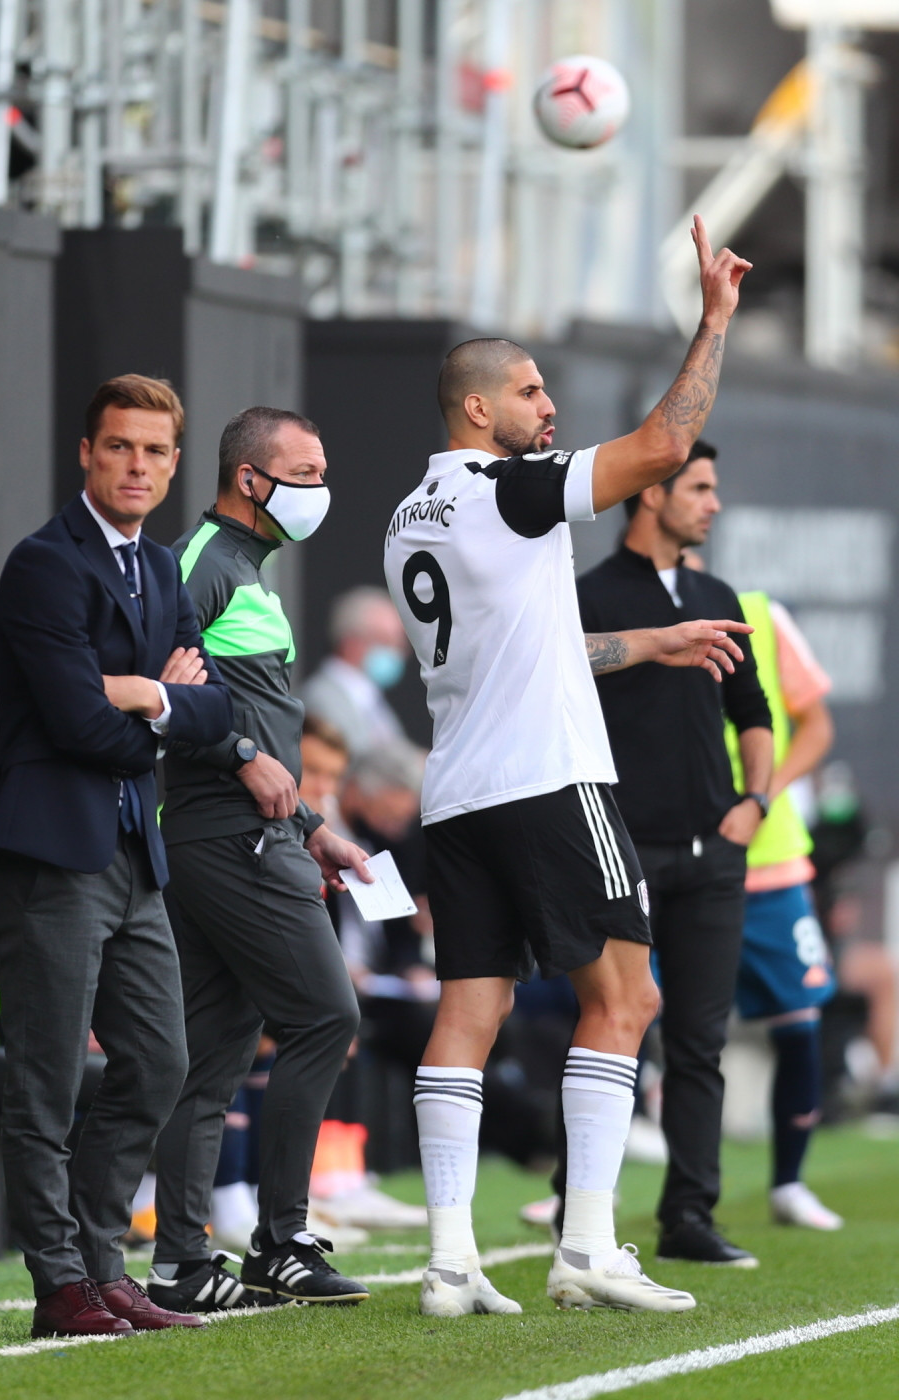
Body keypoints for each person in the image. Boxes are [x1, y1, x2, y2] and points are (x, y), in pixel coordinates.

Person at [382, 215, 752, 1316]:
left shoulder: (410, 514)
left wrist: (648, 641)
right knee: (627, 993)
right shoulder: (511, 486)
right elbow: (662, 444)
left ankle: (450, 1260)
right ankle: (586, 1241)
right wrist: (713, 319)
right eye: (534, 393)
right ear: (479, 410)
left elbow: (533, 640)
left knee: (471, 1006)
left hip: (457, 792)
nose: (549, 410)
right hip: (550, 778)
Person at [0, 374, 234, 1338]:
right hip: (52, 851)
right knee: (45, 1078)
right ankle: (59, 1284)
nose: (136, 464)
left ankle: (101, 1264)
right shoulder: (45, 566)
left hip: (132, 854)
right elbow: (80, 725)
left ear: (173, 465)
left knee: (160, 1064)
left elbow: (215, 708)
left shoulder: (161, 570)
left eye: (155, 451)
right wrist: (152, 703)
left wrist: (147, 696)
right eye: (119, 446)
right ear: (87, 454)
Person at [146, 406, 373, 1312]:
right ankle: (282, 1240)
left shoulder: (248, 570)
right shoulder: (198, 563)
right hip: (228, 837)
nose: (322, 490)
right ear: (250, 478)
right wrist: (244, 762)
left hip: (248, 835)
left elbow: (252, 722)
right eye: (307, 473)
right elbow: (156, 693)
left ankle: (182, 1264)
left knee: (212, 1060)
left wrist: (313, 824)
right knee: (325, 1017)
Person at [576, 440, 773, 1269]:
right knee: (606, 1029)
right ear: (651, 495)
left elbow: (752, 710)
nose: (714, 503)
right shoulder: (588, 595)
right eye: (700, 487)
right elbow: (553, 682)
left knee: (700, 1040)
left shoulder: (717, 594)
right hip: (624, 851)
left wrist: (753, 805)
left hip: (715, 858)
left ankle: (688, 1215)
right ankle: (579, 1206)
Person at [725, 592, 840, 1228]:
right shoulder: (625, 606)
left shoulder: (761, 615)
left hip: (772, 865)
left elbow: (817, 723)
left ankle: (789, 1184)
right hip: (677, 859)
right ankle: (574, 1188)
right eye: (698, 488)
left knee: (800, 1024)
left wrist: (761, 794)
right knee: (627, 1015)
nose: (708, 504)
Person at [301, 586, 411, 758]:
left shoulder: (371, 697)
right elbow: (354, 763)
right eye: (385, 640)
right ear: (350, 641)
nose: (397, 651)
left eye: (399, 642)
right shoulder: (321, 698)